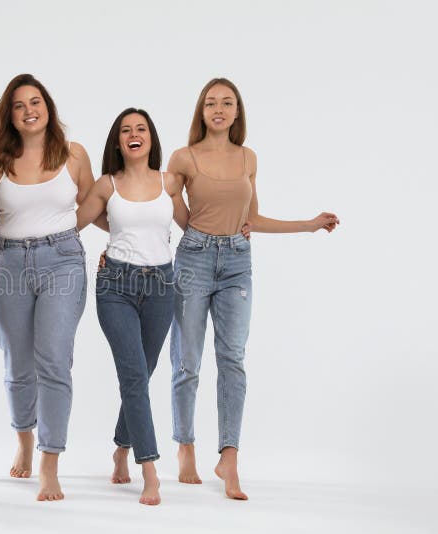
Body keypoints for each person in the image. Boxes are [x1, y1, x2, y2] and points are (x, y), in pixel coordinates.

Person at [167, 78, 339, 500]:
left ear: (237, 112)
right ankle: (185, 446)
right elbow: (173, 210)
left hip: (238, 263)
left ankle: (229, 455)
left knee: (233, 359)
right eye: (211, 103)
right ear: (201, 111)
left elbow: (253, 219)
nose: (219, 109)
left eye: (227, 103)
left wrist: (309, 224)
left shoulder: (248, 157)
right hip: (194, 257)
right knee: (187, 359)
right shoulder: (183, 157)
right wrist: (196, 239)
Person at [0, 73, 96, 501]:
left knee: (54, 360)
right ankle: (24, 438)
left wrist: (134, 236)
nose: (29, 111)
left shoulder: (74, 155)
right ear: (10, 115)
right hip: (9, 262)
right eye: (19, 105)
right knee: (17, 363)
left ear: (48, 107)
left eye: (36, 102)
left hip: (63, 261)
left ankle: (49, 460)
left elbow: (96, 206)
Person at [76, 108, 188, 505]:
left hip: (162, 285)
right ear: (118, 141)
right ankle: (150, 470)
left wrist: (238, 225)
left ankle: (121, 448)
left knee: (144, 372)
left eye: (140, 129)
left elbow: (195, 225)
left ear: (151, 138)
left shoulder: (170, 182)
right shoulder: (107, 185)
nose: (133, 134)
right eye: (126, 130)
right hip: (116, 287)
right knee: (134, 377)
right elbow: (71, 222)